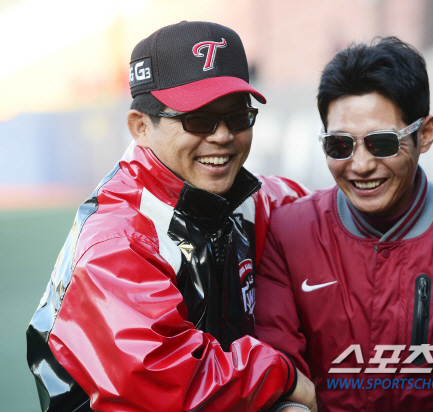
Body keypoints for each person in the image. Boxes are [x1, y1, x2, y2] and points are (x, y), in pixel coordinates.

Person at [26, 21, 316, 412]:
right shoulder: (118, 240)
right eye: (198, 119)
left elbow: (327, 213)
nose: (222, 136)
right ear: (141, 127)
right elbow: (167, 379)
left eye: (238, 117)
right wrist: (285, 377)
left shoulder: (253, 199)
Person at [254, 37, 433, 411]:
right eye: (340, 145)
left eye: (382, 143)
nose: (360, 165)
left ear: (425, 134)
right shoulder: (287, 234)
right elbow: (277, 374)